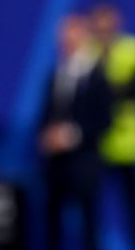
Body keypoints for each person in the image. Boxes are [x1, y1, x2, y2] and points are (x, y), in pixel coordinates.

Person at [37, 15, 112, 250]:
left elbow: (103, 119)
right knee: (52, 224)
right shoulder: (56, 74)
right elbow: (46, 113)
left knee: (89, 224)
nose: (66, 39)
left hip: (84, 164)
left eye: (72, 33)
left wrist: (71, 135)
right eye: (63, 35)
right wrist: (47, 135)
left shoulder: (96, 74)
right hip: (56, 165)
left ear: (83, 35)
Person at [89, 2, 135, 249]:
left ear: (117, 23)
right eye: (99, 24)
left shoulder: (133, 49)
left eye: (108, 23)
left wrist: (103, 91)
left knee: (134, 210)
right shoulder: (87, 51)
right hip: (96, 144)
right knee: (91, 210)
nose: (104, 29)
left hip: (129, 145)